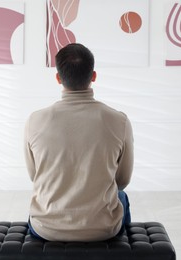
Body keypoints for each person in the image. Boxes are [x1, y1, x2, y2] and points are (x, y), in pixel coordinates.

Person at [24, 43, 134, 242]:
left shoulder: (35, 120)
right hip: (103, 229)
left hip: (46, 228)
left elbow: (35, 176)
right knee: (122, 198)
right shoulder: (119, 121)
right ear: (93, 76)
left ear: (58, 78)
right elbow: (122, 181)